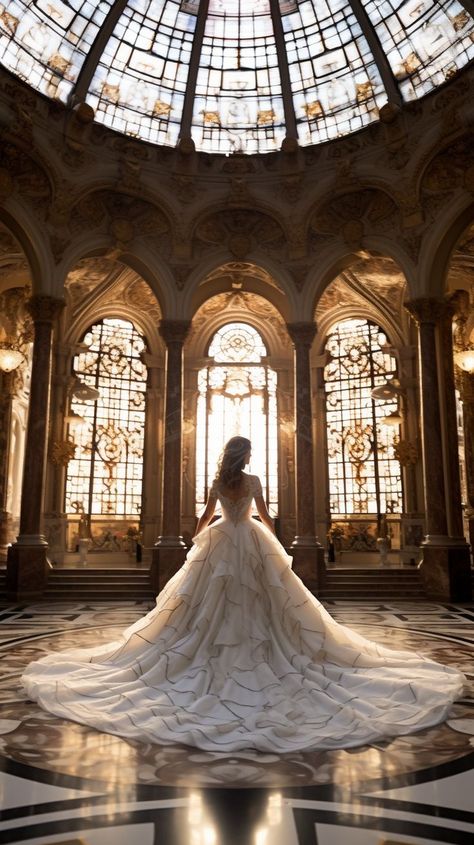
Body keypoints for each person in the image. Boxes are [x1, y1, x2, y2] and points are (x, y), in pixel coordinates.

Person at [22, 436, 465, 753]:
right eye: (249, 452)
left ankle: (211, 651)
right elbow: (268, 516)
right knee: (265, 600)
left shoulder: (220, 483)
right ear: (246, 457)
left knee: (207, 605)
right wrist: (276, 542)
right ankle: (262, 649)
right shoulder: (252, 481)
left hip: (221, 541)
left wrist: (198, 539)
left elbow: (204, 516)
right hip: (249, 541)